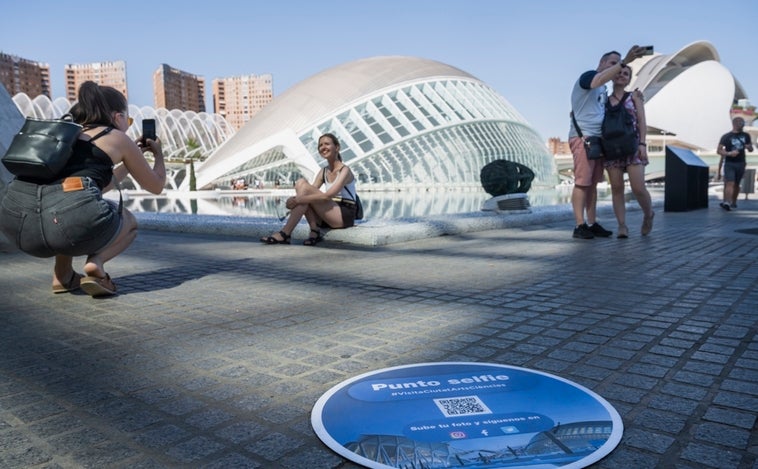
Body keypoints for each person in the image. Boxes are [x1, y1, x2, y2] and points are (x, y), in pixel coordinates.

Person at [0, 81, 166, 297]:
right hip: (65, 222)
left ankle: (63, 276)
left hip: (17, 225)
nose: (128, 125)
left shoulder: (62, 135)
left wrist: (127, 165)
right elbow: (156, 186)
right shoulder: (118, 138)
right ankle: (96, 264)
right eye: (128, 119)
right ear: (117, 117)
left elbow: (94, 187)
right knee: (128, 222)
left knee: (60, 202)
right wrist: (158, 154)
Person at [569, 46, 647, 239]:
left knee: (593, 184)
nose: (617, 68)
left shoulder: (604, 90)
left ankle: (592, 222)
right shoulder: (589, 77)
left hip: (600, 141)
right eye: (613, 63)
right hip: (584, 138)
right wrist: (624, 61)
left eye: (618, 65)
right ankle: (579, 225)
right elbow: (598, 80)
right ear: (602, 63)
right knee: (582, 183)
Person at [260, 133, 357, 246]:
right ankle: (313, 231)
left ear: (337, 147)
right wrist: (296, 199)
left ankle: (286, 233)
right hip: (328, 214)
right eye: (320, 145)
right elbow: (307, 192)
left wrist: (296, 200)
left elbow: (327, 196)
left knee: (303, 189)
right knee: (301, 184)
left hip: (343, 215)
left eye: (327, 144)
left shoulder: (345, 170)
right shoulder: (323, 171)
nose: (323, 147)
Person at [605, 65, 654, 237]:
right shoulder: (604, 99)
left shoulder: (634, 97)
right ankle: (622, 226)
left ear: (629, 79)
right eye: (619, 72)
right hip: (611, 147)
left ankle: (648, 214)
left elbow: (641, 121)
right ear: (612, 76)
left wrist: (642, 144)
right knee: (617, 188)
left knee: (638, 187)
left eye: (626, 74)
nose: (621, 75)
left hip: (633, 146)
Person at [716, 116, 753, 211]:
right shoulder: (726, 136)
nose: (742, 124)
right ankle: (727, 202)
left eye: (743, 122)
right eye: (740, 122)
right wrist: (729, 153)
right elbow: (719, 150)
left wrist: (749, 147)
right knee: (730, 183)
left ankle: (733, 202)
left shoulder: (746, 135)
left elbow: (750, 149)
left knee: (736, 184)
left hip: (741, 162)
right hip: (729, 163)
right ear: (734, 123)